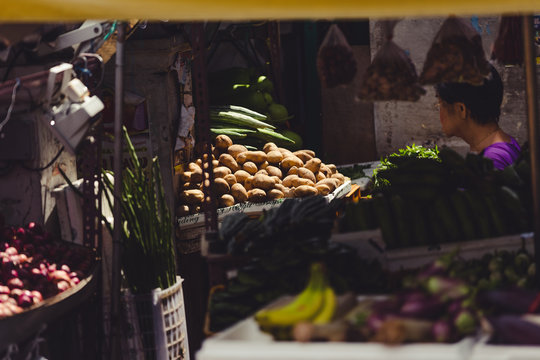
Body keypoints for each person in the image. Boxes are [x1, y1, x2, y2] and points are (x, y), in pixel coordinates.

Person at [434, 65, 521, 170]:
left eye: (440, 103)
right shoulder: (500, 146)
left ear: (461, 109)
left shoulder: (492, 161)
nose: (439, 111)